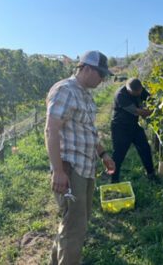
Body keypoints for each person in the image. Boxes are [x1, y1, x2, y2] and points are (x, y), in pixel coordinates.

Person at [45, 51, 117, 265]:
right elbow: (52, 129)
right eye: (100, 74)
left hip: (85, 168)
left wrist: (103, 153)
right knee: (75, 227)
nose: (102, 79)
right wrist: (58, 171)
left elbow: (88, 131)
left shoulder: (85, 94)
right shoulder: (65, 90)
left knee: (76, 223)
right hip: (71, 169)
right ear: (86, 68)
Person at [110, 77, 158, 183]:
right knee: (118, 154)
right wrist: (154, 111)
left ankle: (151, 175)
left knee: (145, 148)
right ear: (128, 89)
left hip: (134, 125)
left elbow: (150, 100)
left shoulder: (140, 89)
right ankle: (114, 180)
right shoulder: (120, 95)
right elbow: (138, 111)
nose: (138, 95)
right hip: (120, 127)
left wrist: (158, 104)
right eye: (135, 93)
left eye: (140, 92)